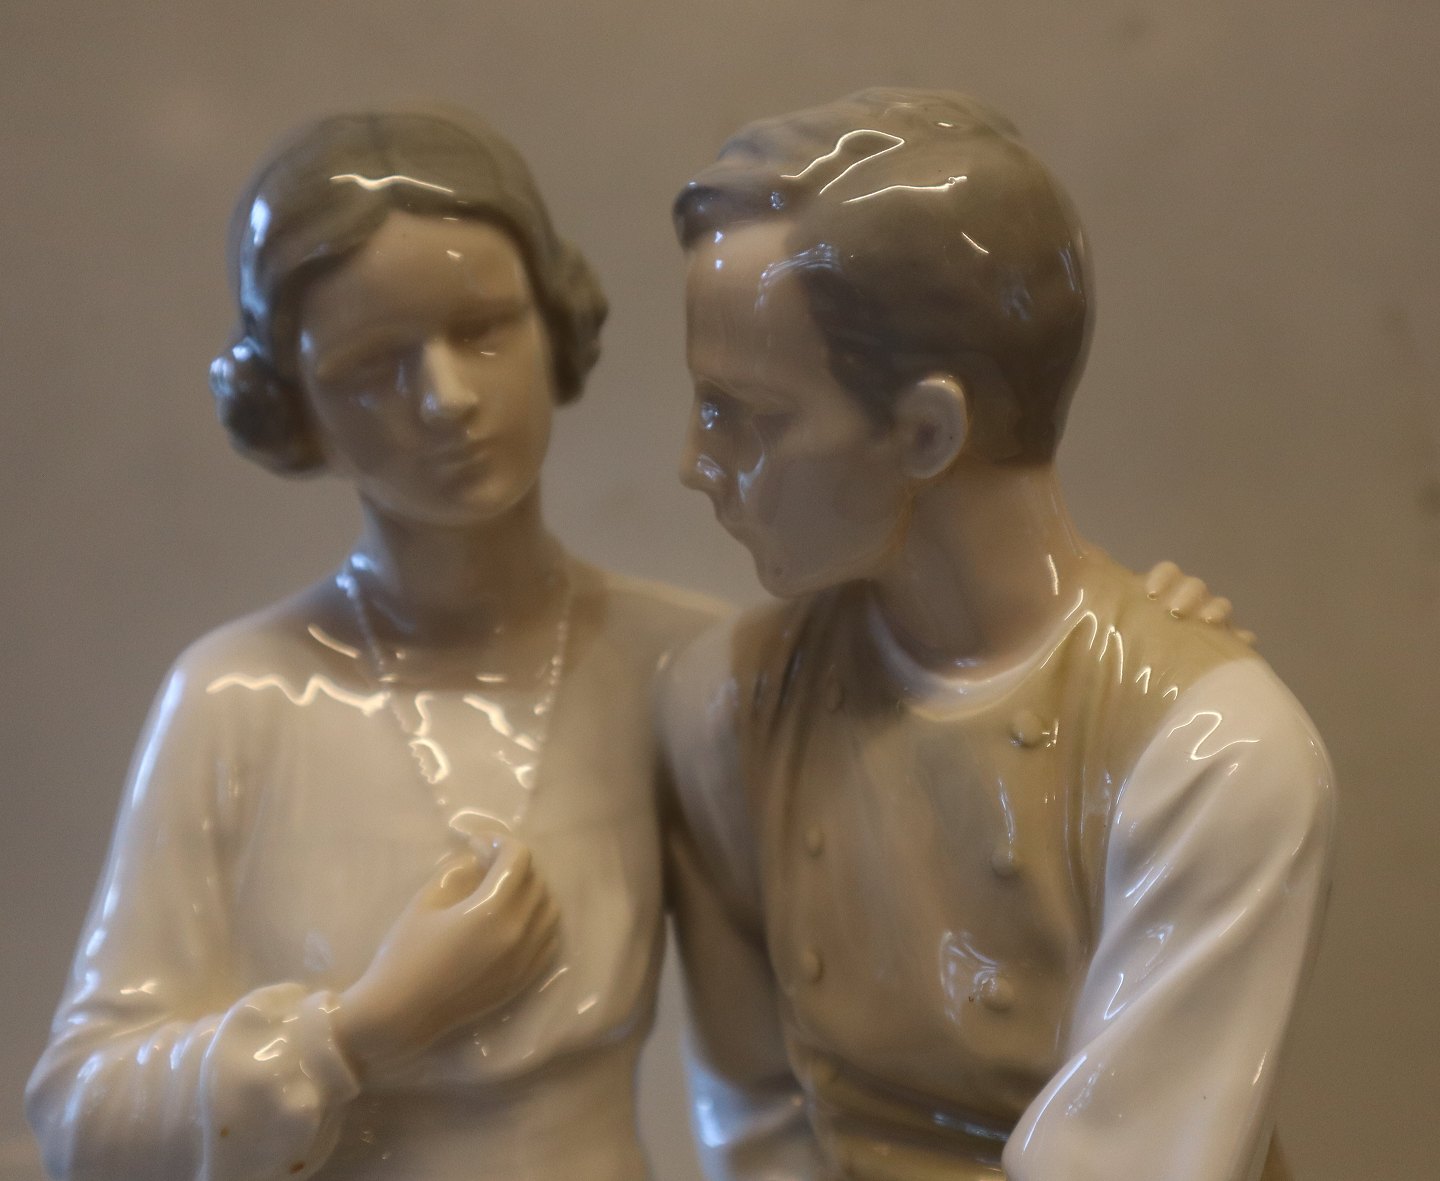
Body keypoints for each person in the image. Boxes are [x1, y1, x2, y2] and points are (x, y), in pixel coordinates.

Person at [26, 106, 721, 1181]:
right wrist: (359, 1031)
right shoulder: (240, 697)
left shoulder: (680, 663)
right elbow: (83, 1113)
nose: (446, 398)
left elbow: (780, 1069)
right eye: (369, 365)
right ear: (293, 405)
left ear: (555, 321)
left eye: (483, 329)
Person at [659, 88, 1334, 1181]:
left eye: (747, 414)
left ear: (925, 431)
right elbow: (752, 1111)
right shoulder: (730, 704)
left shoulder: (1212, 753)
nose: (695, 463)